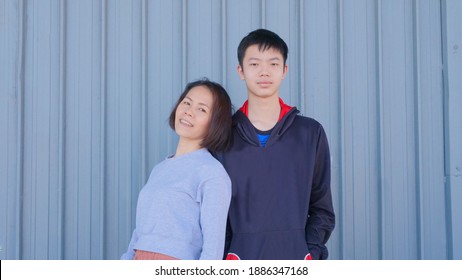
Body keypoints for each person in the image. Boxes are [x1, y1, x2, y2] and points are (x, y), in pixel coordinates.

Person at [217, 29, 335, 260]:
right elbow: (211, 210)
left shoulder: (310, 133)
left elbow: (322, 208)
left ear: (284, 71)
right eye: (254, 64)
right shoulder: (222, 135)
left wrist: (309, 252)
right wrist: (226, 256)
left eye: (273, 63)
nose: (264, 72)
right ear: (240, 71)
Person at [121, 78, 233, 260]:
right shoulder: (160, 169)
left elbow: (213, 249)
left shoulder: (212, 173)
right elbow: (140, 232)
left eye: (202, 109)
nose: (189, 112)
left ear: (215, 122)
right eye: (187, 103)